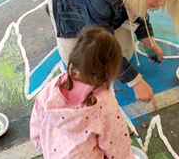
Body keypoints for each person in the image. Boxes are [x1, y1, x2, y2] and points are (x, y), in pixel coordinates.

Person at [45, 0, 179, 110]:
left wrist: (148, 41)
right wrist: (136, 82)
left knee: (124, 51)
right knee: (82, 67)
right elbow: (101, 46)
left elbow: (139, 5)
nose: (161, 4)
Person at [30, 27, 135, 159]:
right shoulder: (104, 103)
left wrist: (39, 143)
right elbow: (117, 144)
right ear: (110, 70)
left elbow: (37, 117)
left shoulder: (54, 86)